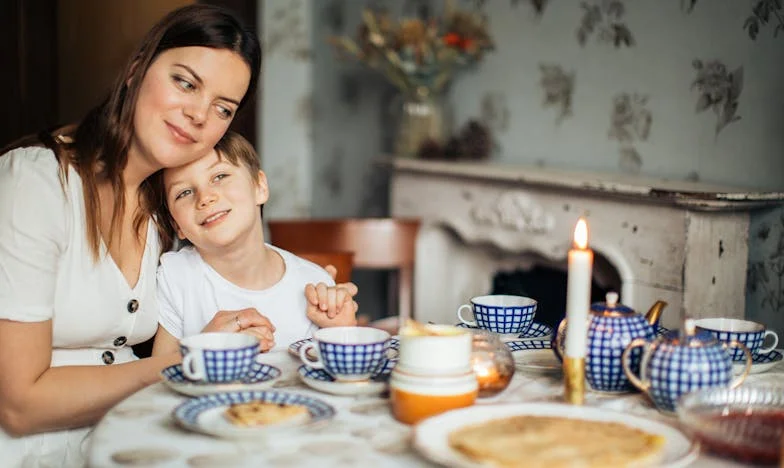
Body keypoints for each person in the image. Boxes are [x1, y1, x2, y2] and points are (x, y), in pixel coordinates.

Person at [0, 5, 294, 467]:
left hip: (130, 442)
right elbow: (18, 405)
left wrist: (309, 288)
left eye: (223, 108)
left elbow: (236, 266)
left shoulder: (167, 206)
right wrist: (181, 364)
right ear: (137, 69)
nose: (199, 114)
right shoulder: (35, 183)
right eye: (186, 82)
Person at [151, 132, 359, 355]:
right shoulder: (176, 278)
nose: (205, 197)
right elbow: (156, 378)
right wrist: (206, 346)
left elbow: (340, 379)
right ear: (177, 225)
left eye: (219, 176)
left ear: (260, 186)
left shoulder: (315, 285)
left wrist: (341, 332)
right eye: (184, 192)